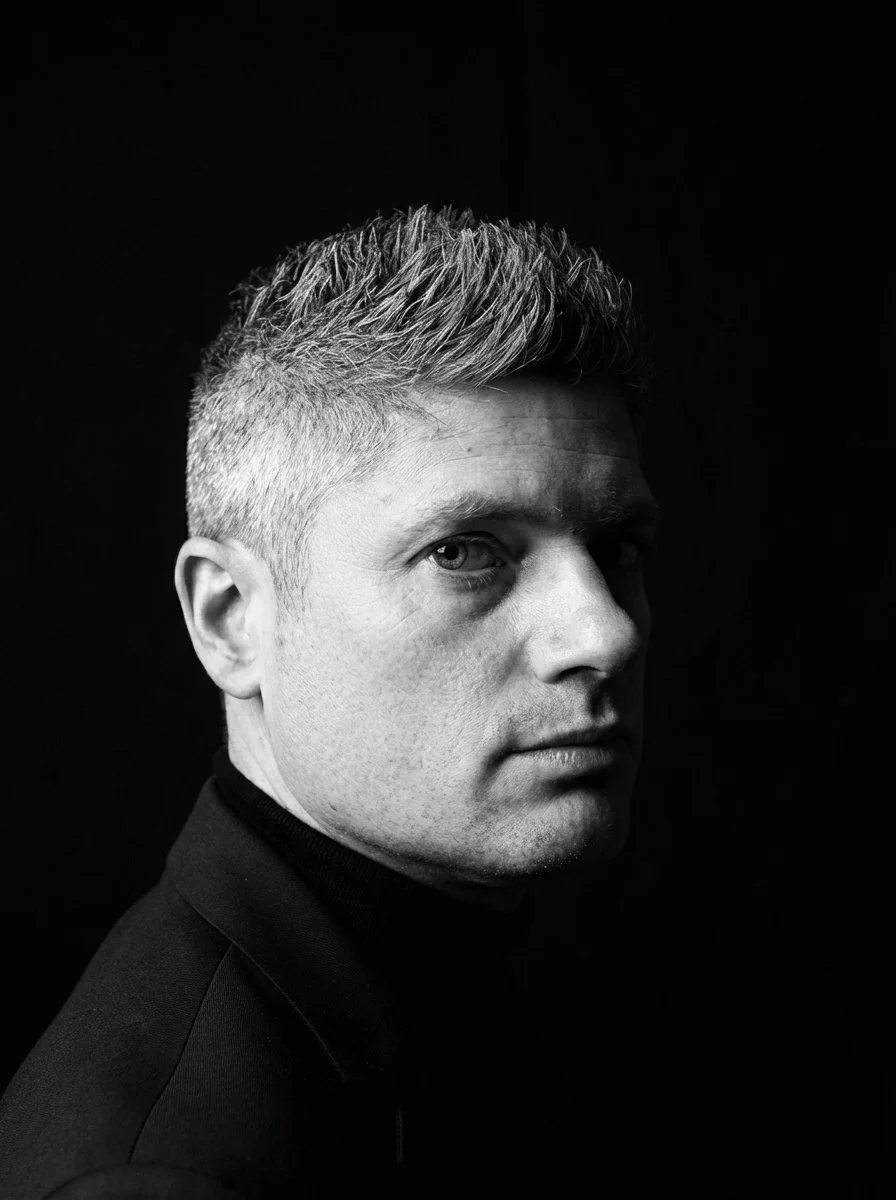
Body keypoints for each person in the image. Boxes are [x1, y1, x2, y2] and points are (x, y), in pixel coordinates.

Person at [0, 204, 662, 1195]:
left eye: (614, 549)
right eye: (463, 551)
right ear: (230, 619)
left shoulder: (476, 978)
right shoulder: (164, 1173)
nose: (603, 632)